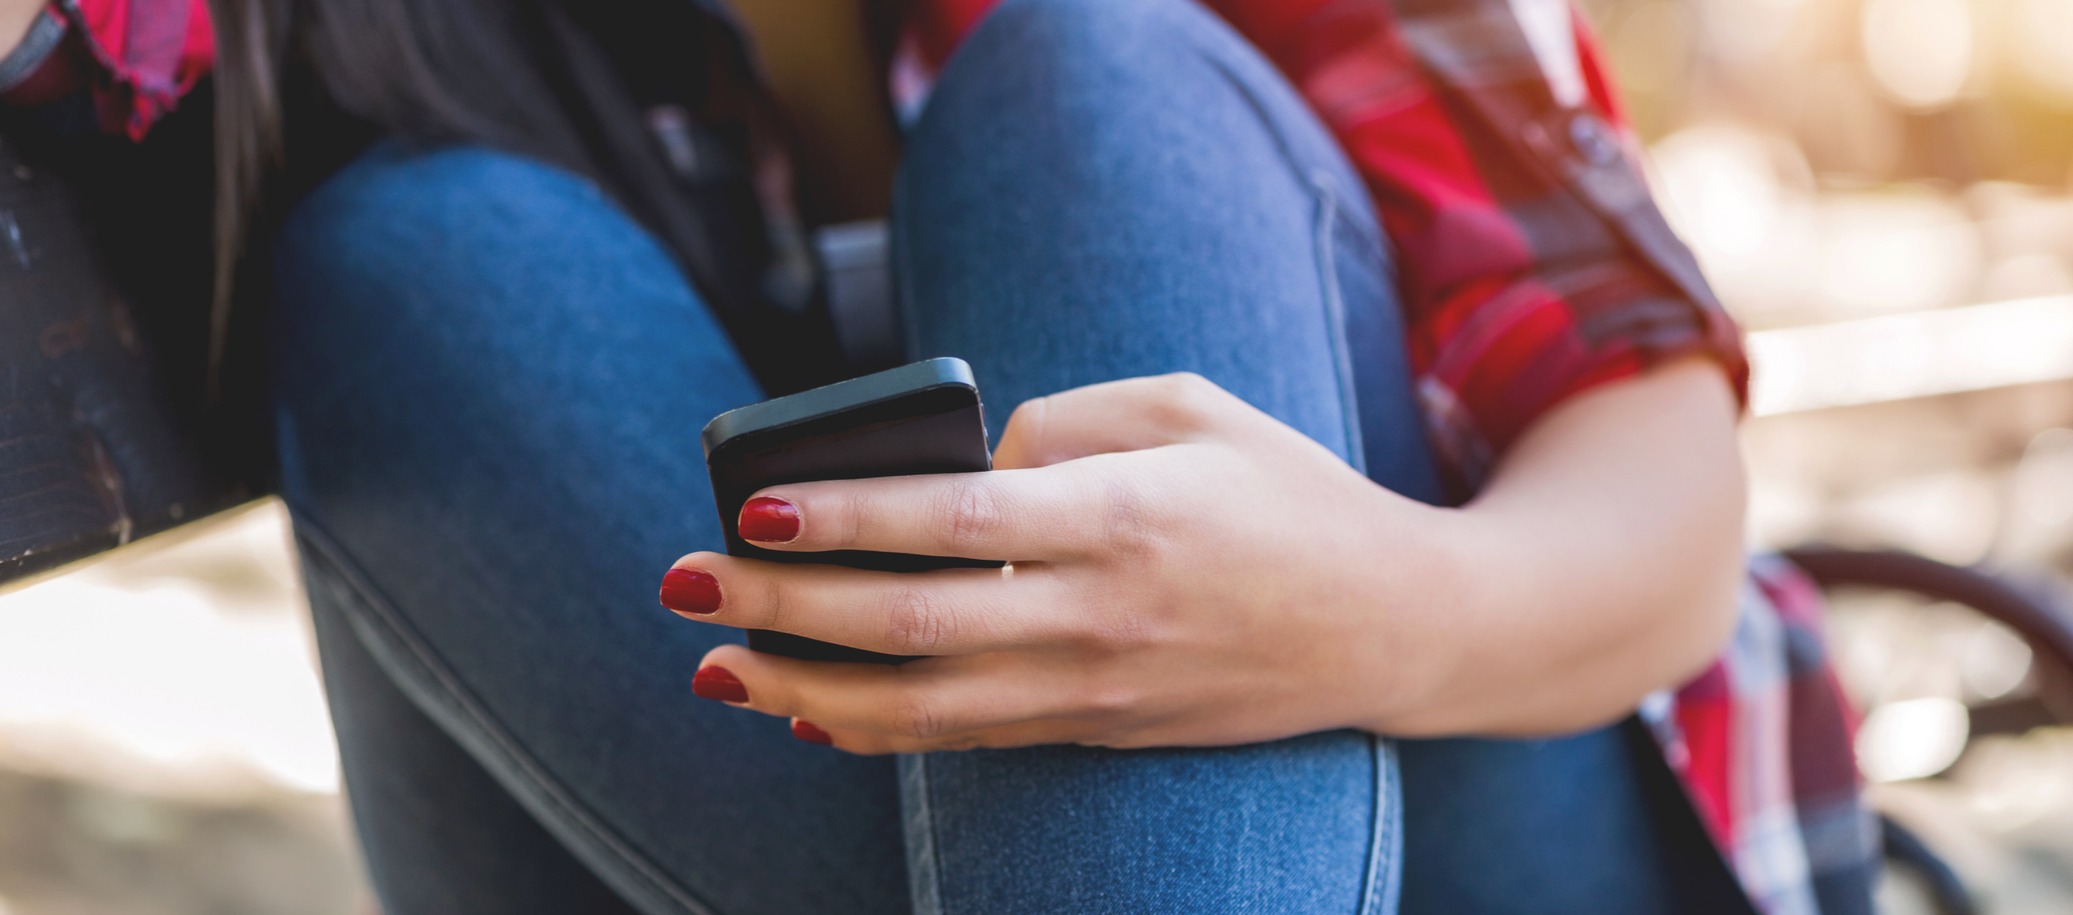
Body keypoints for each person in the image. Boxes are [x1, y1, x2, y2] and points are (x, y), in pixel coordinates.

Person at [0, 0, 1876, 912]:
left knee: (1093, 81)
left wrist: (1357, 612)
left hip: (1494, 779)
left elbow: (1668, 501)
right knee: (406, 255)